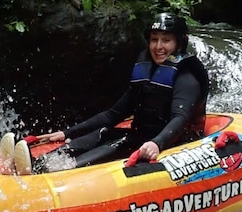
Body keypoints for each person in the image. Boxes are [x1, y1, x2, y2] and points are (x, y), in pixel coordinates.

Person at [23, 12, 210, 171]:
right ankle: (38, 163)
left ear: (179, 42)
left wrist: (157, 143)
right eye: (154, 39)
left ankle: (49, 172)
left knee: (113, 146)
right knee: (101, 134)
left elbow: (180, 117)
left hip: (174, 144)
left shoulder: (187, 77)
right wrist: (66, 133)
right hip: (142, 136)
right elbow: (113, 114)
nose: (158, 46)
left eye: (166, 40)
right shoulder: (148, 72)